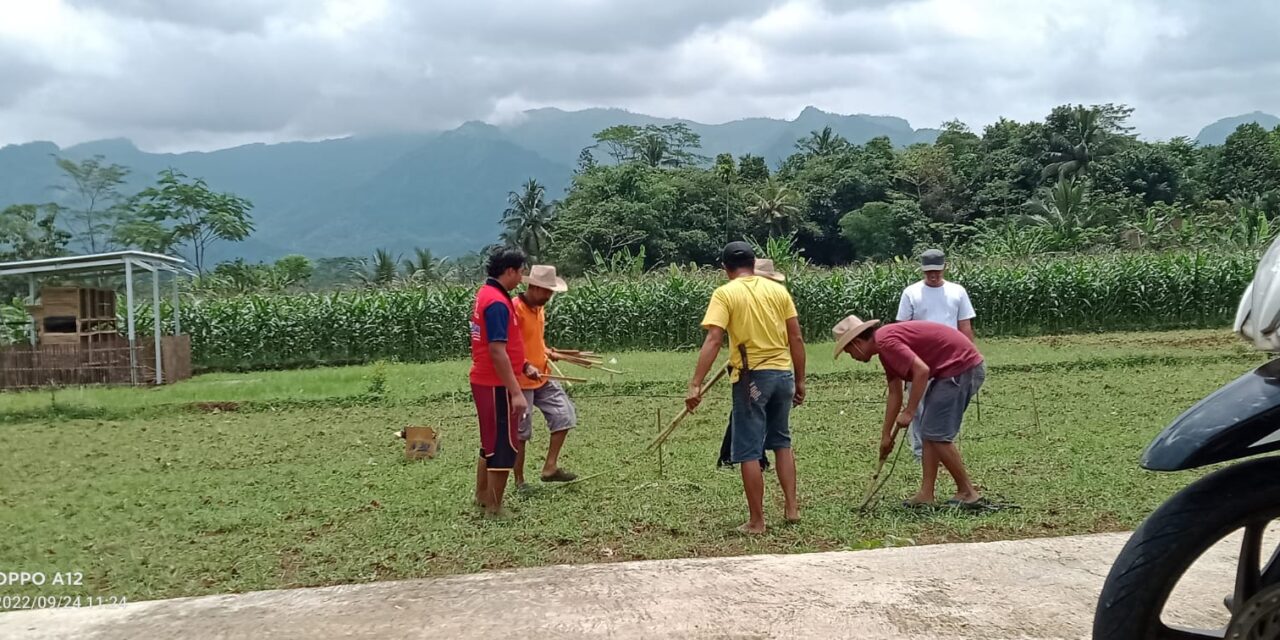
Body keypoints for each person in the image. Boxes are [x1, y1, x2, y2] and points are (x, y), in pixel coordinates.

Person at [687, 241, 806, 534]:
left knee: (748, 450)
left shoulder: (725, 293)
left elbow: (714, 339)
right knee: (782, 441)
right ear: (754, 264)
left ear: (725, 268)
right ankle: (792, 509)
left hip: (751, 381)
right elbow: (797, 339)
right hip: (783, 375)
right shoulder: (779, 291)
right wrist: (801, 379)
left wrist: (695, 384)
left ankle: (757, 521)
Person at [832, 315, 987, 509]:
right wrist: (885, 436)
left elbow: (921, 371)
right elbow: (895, 393)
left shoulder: (886, 341)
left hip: (960, 367)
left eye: (848, 351)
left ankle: (968, 492)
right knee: (928, 433)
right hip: (949, 370)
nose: (851, 356)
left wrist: (910, 411)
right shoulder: (885, 351)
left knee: (937, 435)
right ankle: (926, 494)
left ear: (857, 343)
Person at [469, 248, 542, 517]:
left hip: (487, 380)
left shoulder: (487, 295)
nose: (521, 277)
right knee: (503, 446)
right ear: (509, 271)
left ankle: (482, 496)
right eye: (521, 271)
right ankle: (495, 507)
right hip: (496, 384)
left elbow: (503, 345)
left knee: (489, 442)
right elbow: (497, 350)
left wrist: (523, 365)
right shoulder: (499, 303)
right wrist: (516, 392)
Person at [896, 249, 976, 461]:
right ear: (922, 270)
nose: (933, 275)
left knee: (944, 406)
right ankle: (920, 453)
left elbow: (965, 325)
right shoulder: (911, 293)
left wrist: (968, 355)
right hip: (920, 359)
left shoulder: (957, 291)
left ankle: (942, 448)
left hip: (950, 359)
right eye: (929, 271)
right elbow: (902, 329)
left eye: (937, 271)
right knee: (918, 406)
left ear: (944, 268)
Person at [513, 264, 579, 488]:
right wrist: (524, 365)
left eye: (551, 291)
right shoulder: (514, 309)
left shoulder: (540, 309)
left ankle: (550, 467)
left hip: (543, 374)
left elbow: (535, 341)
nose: (549, 296)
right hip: (521, 380)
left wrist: (548, 352)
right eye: (546, 291)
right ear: (533, 286)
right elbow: (506, 345)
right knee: (522, 432)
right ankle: (519, 480)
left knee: (564, 414)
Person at [716, 257, 784, 471]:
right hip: (748, 367)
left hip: (764, 365)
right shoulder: (742, 294)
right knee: (749, 411)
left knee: (748, 411)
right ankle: (747, 457)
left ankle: (736, 456)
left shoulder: (771, 297)